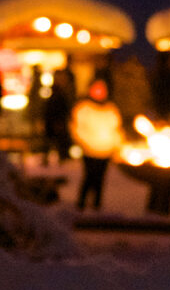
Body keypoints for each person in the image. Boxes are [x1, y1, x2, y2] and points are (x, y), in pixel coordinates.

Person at [70, 77, 123, 211]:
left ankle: (97, 204)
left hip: (105, 151)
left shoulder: (111, 109)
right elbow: (77, 129)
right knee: (89, 177)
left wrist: (116, 145)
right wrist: (85, 143)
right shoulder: (83, 108)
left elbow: (116, 129)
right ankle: (81, 203)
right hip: (89, 150)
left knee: (100, 179)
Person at [42, 67, 75, 163]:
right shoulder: (58, 94)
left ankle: (60, 159)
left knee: (56, 142)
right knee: (57, 142)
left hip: (56, 122)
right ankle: (60, 159)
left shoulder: (61, 93)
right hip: (56, 122)